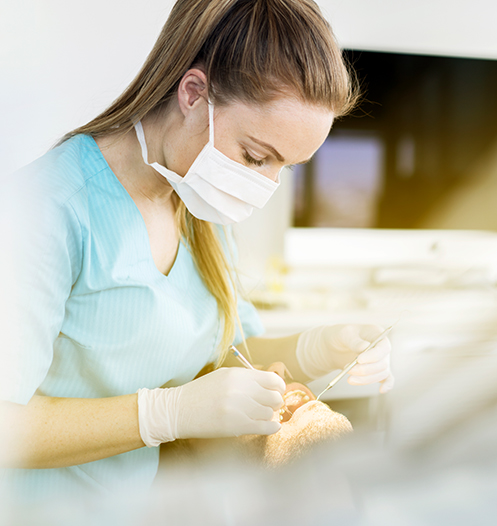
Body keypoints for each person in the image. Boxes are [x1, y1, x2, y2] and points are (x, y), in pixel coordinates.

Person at [0, 0, 393, 501]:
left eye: (284, 168)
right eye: (256, 156)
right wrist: (166, 413)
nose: (263, 186)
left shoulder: (195, 199)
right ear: (193, 93)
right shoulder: (49, 210)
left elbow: (226, 354)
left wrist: (315, 348)